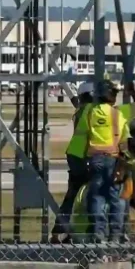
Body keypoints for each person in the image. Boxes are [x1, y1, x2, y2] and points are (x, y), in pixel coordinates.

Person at [84, 80, 135, 244]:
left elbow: (85, 133)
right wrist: (132, 92)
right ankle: (116, 235)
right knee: (116, 198)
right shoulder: (119, 113)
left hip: (95, 159)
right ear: (111, 96)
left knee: (97, 197)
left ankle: (99, 234)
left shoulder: (90, 112)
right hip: (113, 159)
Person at [55, 81, 93, 240]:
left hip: (75, 156)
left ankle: (60, 230)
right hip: (84, 157)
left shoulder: (81, 110)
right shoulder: (92, 110)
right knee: (93, 194)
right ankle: (86, 231)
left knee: (73, 194)